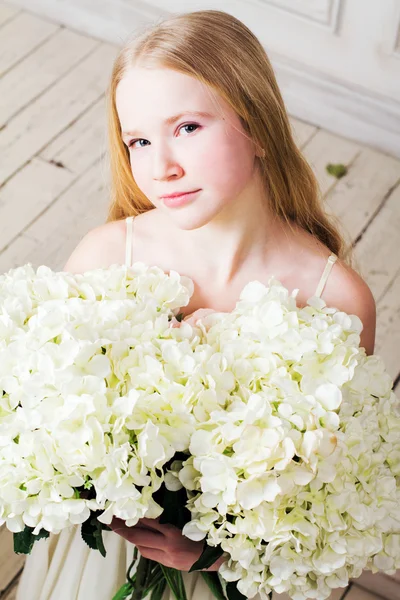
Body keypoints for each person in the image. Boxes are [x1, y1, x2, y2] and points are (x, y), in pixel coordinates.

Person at [16, 9, 377, 600]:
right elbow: (48, 427)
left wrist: (214, 550)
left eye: (187, 127)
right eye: (139, 140)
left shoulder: (334, 300)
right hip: (101, 567)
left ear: (257, 125)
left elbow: (330, 484)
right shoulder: (108, 258)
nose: (162, 167)